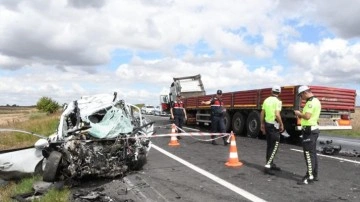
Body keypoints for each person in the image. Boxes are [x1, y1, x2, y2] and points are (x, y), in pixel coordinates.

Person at [294, 85, 321, 185]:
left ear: (305, 92)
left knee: (308, 155)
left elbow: (307, 116)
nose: (301, 98)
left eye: (301, 95)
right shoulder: (316, 100)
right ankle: (314, 175)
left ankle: (309, 177)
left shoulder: (310, 103)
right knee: (313, 154)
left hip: (309, 132)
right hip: (313, 130)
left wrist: (298, 113)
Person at [260, 85, 284, 175]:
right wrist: (281, 124)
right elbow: (277, 114)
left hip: (267, 124)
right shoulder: (278, 101)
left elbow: (262, 112)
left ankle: (271, 163)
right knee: (274, 146)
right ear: (279, 92)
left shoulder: (266, 100)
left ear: (271, 91)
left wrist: (262, 124)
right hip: (274, 126)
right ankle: (268, 166)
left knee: (270, 145)